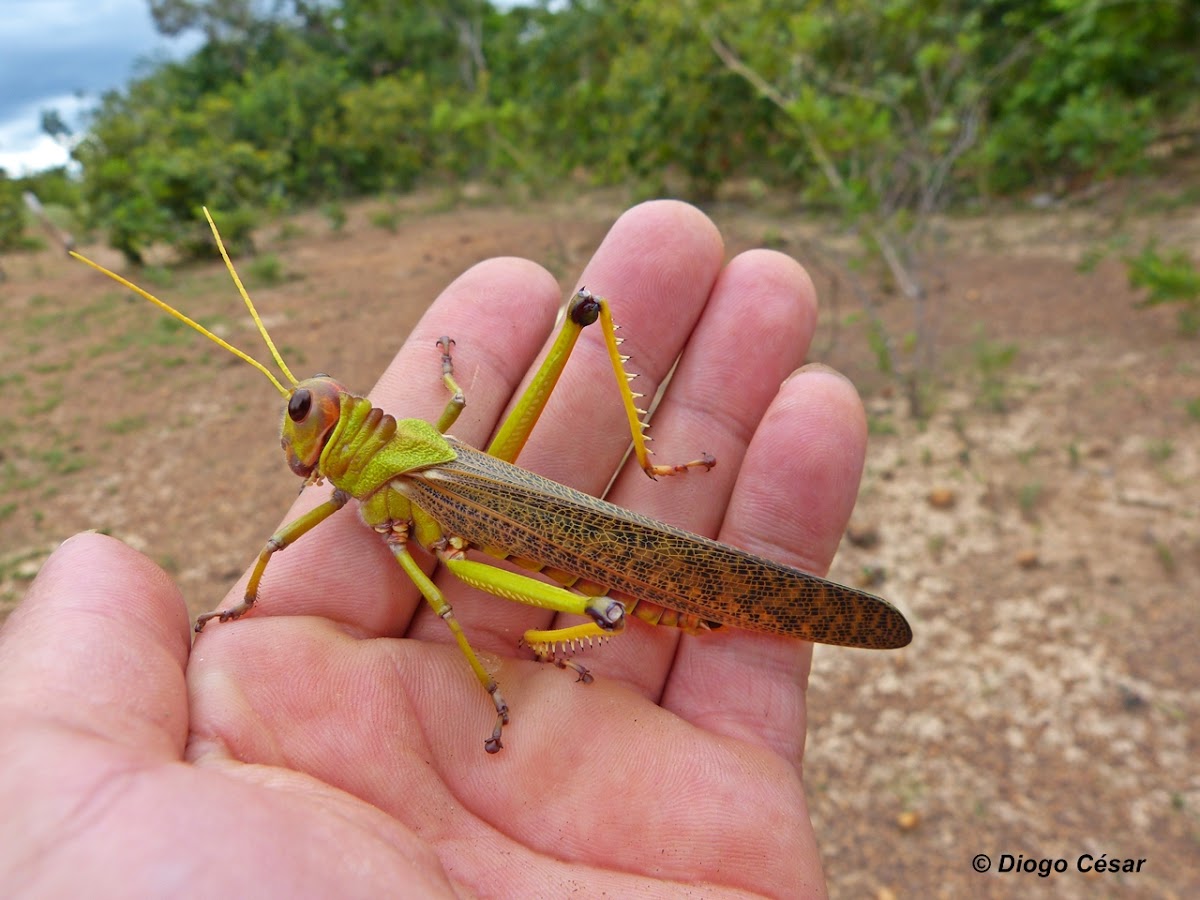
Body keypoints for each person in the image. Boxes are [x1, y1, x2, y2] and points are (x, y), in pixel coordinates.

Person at [0, 201, 869, 897]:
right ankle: (591, 598)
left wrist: (489, 689)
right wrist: (249, 596)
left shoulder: (391, 474)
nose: (296, 442)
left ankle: (572, 606)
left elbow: (441, 593)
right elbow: (430, 425)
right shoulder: (381, 457)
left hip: (521, 525)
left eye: (304, 420)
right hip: (482, 507)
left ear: (337, 431)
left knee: (595, 573)